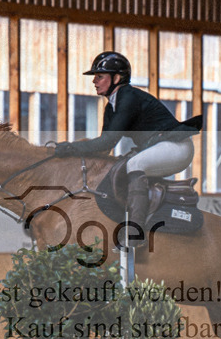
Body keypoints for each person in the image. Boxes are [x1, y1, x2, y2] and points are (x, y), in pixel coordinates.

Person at [54, 51, 200, 228]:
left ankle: (135, 229)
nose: (94, 81)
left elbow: (107, 142)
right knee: (123, 165)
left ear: (117, 78)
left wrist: (71, 148)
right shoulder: (111, 107)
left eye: (100, 76)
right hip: (162, 146)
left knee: (134, 165)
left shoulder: (128, 97)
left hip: (177, 147)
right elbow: (103, 149)